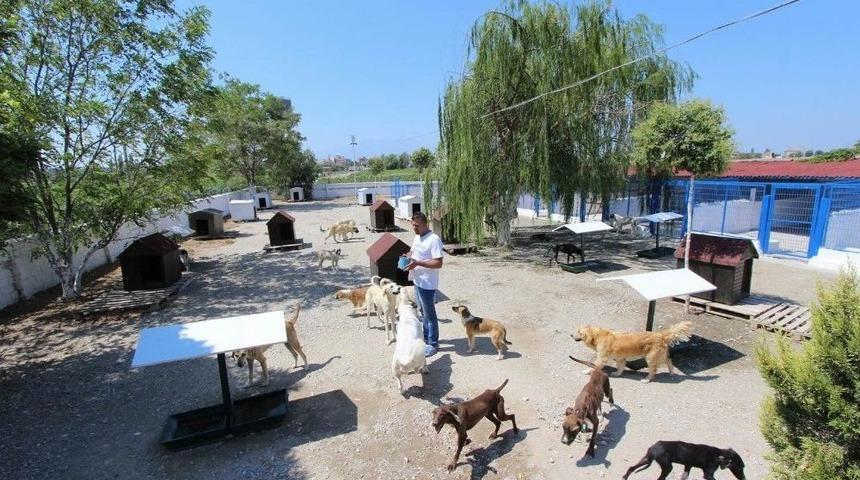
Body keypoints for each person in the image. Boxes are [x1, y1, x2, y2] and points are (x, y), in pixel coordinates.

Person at [404, 212, 444, 357]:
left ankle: (433, 344)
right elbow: (415, 253)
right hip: (417, 280)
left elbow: (438, 263)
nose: (414, 227)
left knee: (430, 314)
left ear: (425, 224)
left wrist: (418, 263)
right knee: (422, 312)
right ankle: (426, 338)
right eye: (413, 225)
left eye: (417, 225)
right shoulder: (417, 237)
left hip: (427, 283)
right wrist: (408, 257)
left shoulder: (434, 240)